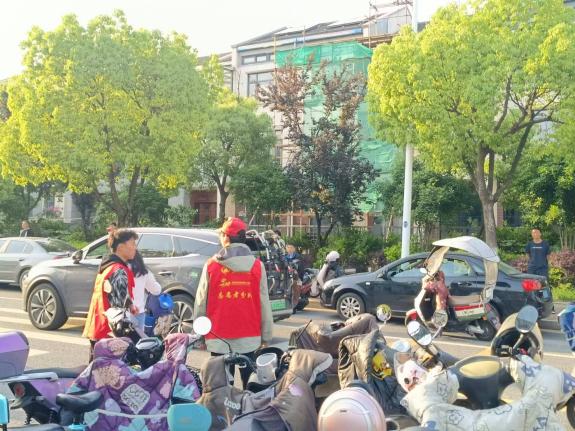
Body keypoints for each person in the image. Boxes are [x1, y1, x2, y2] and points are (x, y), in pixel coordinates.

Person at [194, 216, 273, 389]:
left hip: (218, 337)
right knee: (250, 385)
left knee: (222, 387)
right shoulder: (257, 267)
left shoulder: (211, 265)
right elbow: (264, 303)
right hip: (249, 337)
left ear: (226, 237)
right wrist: (266, 335)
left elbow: (201, 302)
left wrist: (200, 334)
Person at [82, 229, 139, 361]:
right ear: (121, 246)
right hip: (109, 333)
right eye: (132, 244)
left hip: (98, 326)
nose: (135, 248)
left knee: (96, 368)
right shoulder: (118, 271)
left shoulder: (107, 266)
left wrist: (130, 304)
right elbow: (118, 310)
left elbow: (113, 295)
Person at [129, 250, 162, 332]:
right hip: (137, 312)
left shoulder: (118, 268)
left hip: (117, 314)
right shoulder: (142, 271)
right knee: (137, 338)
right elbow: (156, 290)